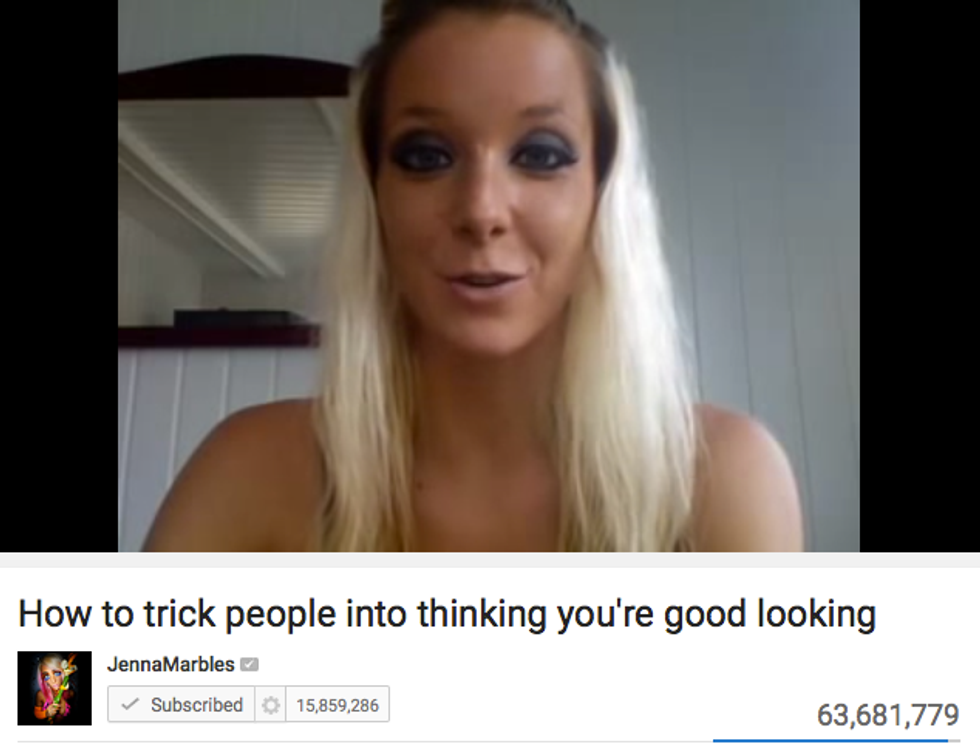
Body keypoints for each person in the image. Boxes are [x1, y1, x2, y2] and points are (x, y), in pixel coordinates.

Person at [144, 0, 802, 552]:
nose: (482, 210)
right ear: (375, 197)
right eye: (427, 155)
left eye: (540, 154)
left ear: (602, 195)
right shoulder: (251, 471)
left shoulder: (724, 478)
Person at [34, 654, 74, 723]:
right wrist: (46, 713)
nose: (53, 680)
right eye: (46, 676)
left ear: (64, 672)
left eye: (56, 673)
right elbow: (36, 714)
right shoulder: (40, 695)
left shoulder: (71, 694)